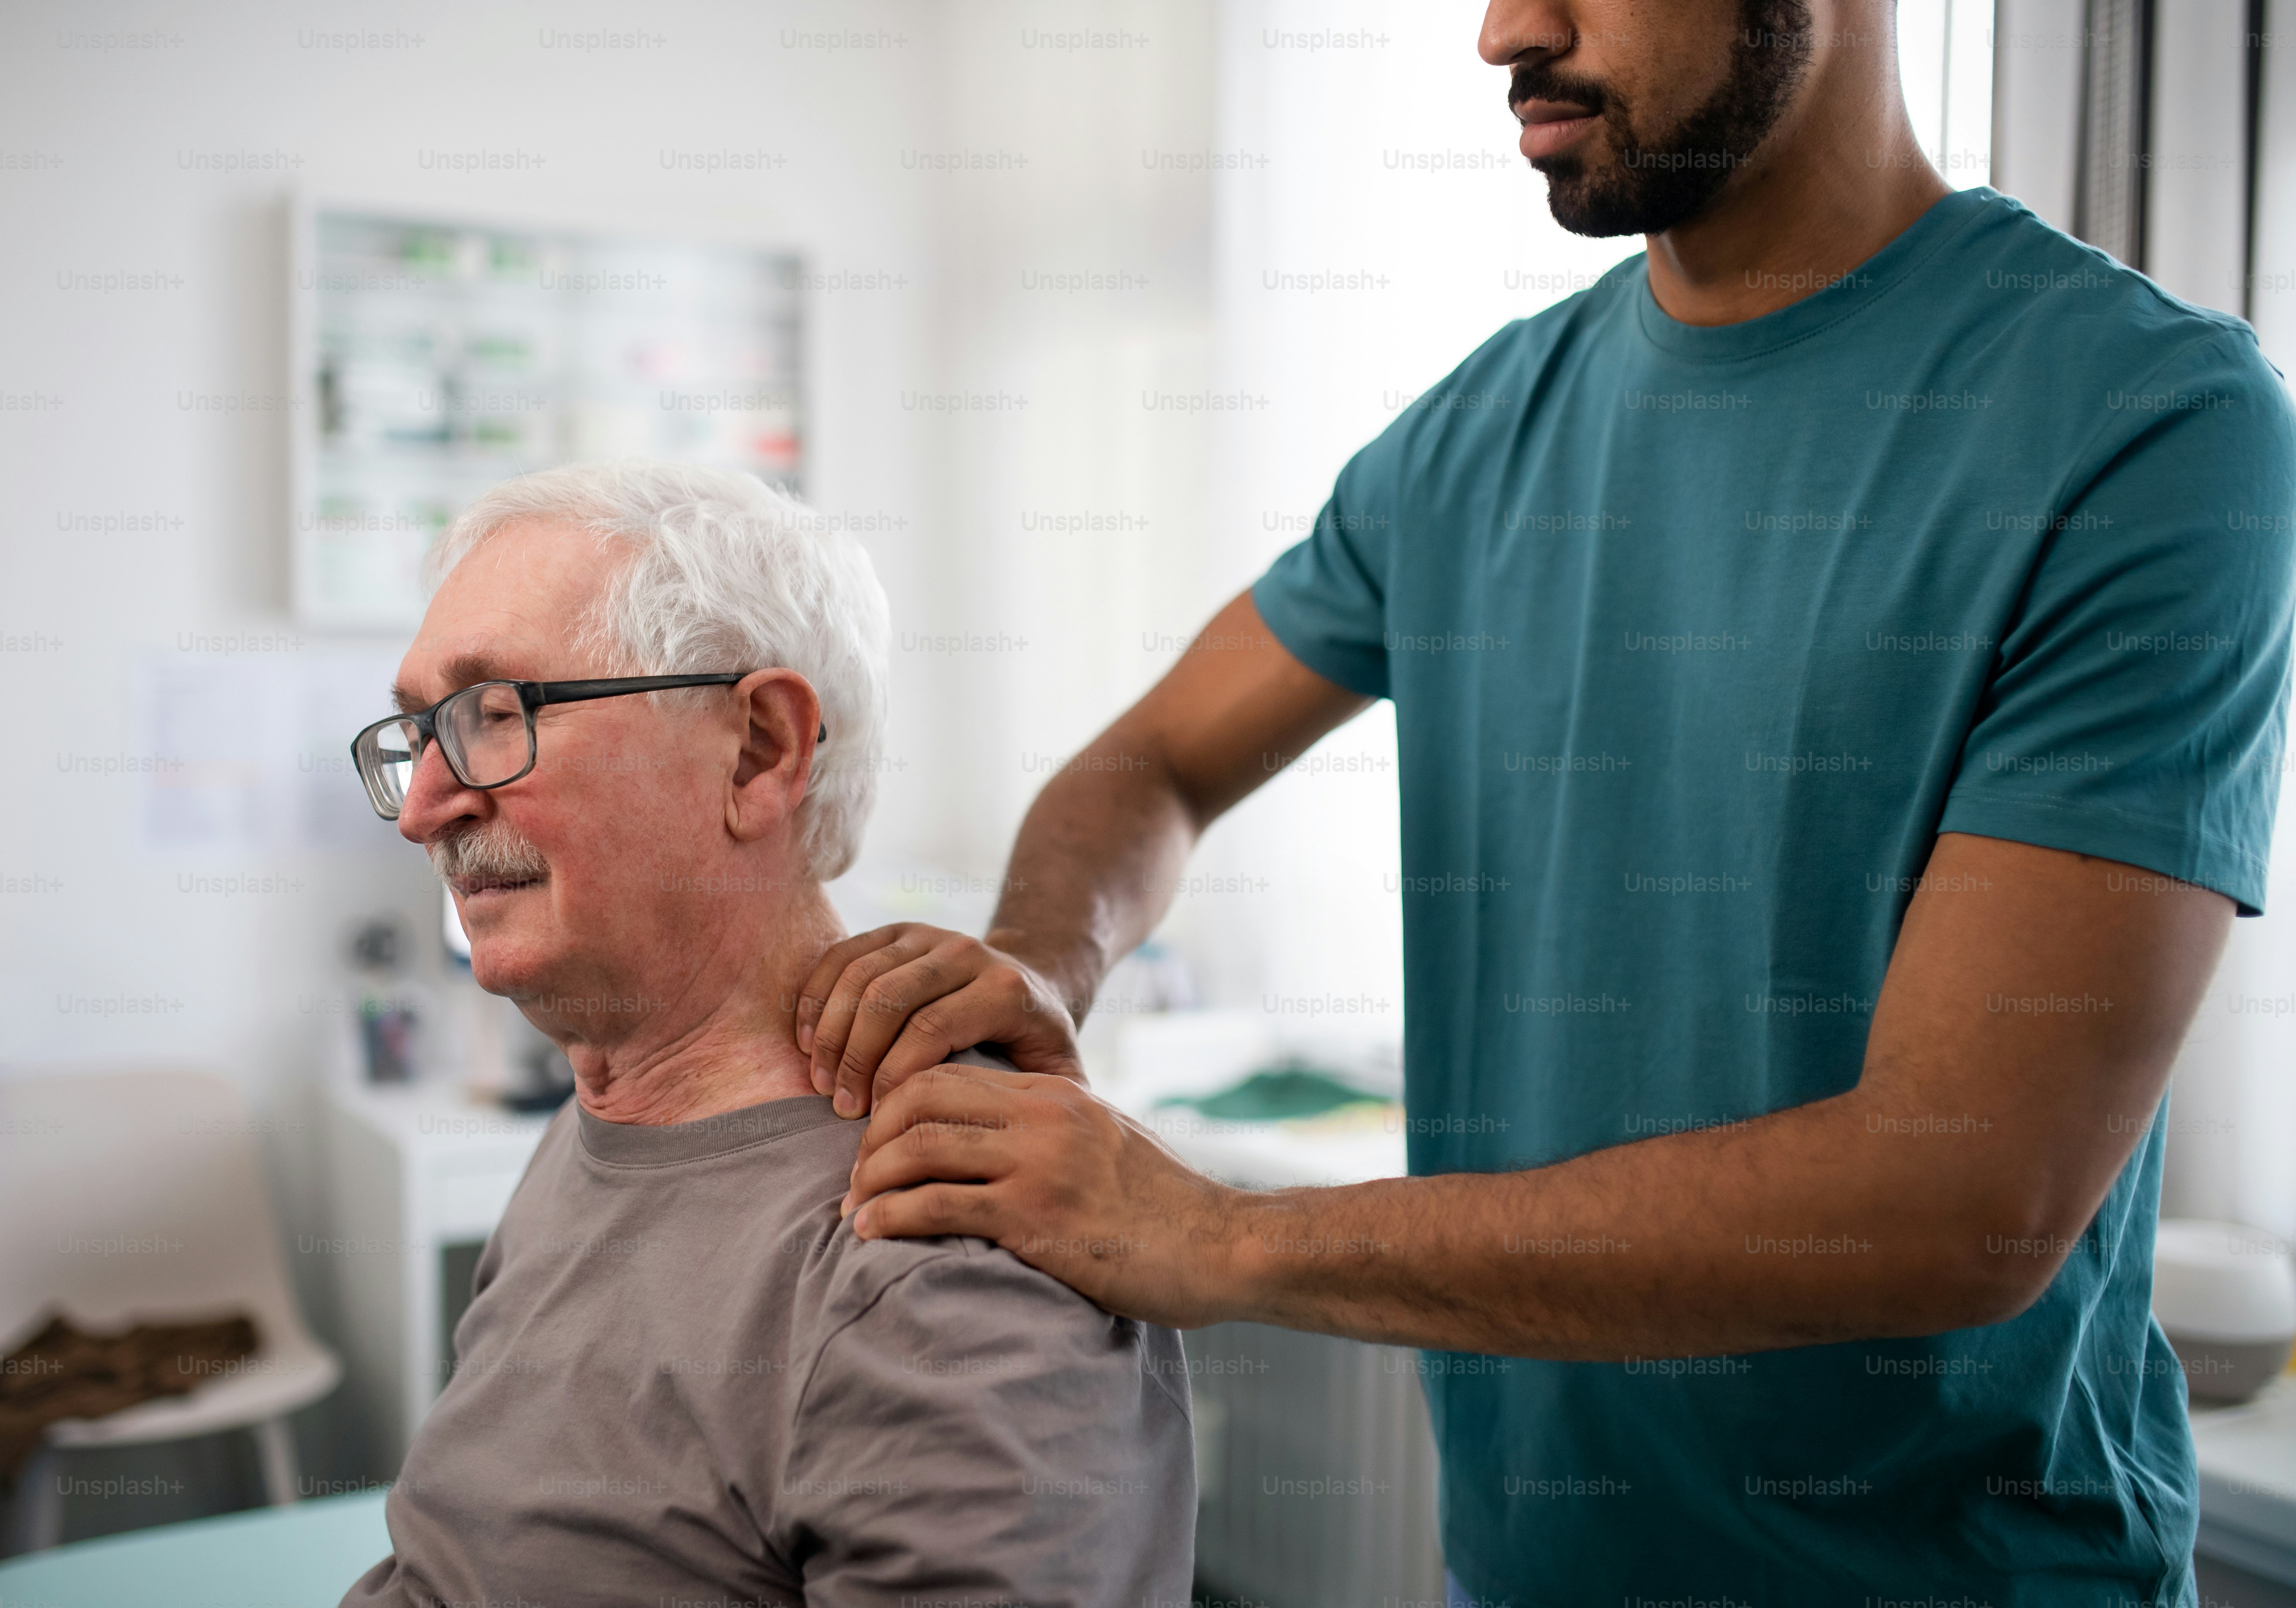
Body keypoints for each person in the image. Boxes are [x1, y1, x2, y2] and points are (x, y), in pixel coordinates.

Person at [794, 0, 2296, 1602]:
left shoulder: (2145, 424)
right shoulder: (1471, 436)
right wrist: (1041, 963)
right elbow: (1152, 763)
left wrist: (1217, 1239)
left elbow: (1961, 1199)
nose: (1508, 30)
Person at [336, 461, 1193, 1608]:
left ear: (759, 751)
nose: (423, 807)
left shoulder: (940, 1259)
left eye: (495, 716)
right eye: (418, 734)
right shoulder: (603, 1120)